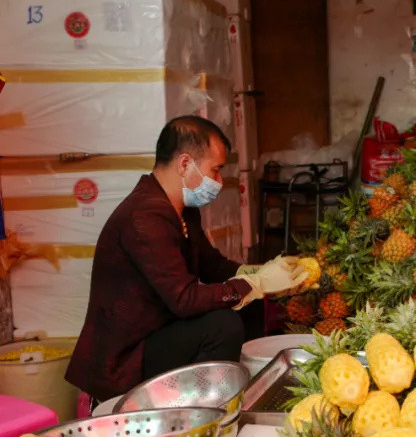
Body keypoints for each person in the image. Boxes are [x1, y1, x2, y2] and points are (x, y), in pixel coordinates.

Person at [66, 116, 306, 405]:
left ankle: (243, 390)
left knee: (247, 303)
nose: (218, 182)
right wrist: (255, 283)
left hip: (160, 332)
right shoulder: (144, 216)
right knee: (222, 324)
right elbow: (185, 299)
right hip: (127, 357)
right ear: (184, 164)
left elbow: (213, 267)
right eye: (215, 170)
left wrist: (264, 272)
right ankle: (206, 412)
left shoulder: (182, 210)